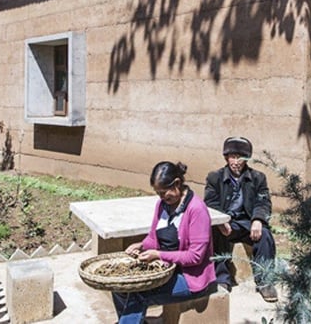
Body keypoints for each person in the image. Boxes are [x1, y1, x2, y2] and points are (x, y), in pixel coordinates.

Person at [112, 161, 217, 323]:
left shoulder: (197, 209)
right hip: (168, 270)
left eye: (163, 192)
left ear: (177, 184)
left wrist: (158, 255)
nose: (161, 197)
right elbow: (154, 237)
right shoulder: (162, 205)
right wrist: (141, 245)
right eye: (158, 193)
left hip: (191, 278)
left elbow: (195, 257)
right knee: (119, 285)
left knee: (139, 293)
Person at [204, 136, 278, 302]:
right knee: (215, 232)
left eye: (240, 157)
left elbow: (263, 201)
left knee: (265, 235)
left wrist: (258, 219)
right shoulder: (214, 178)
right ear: (226, 158)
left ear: (246, 159)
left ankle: (265, 281)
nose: (236, 162)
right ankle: (222, 279)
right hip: (226, 221)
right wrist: (221, 220)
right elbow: (210, 203)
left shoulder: (258, 178)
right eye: (232, 157)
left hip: (247, 223)